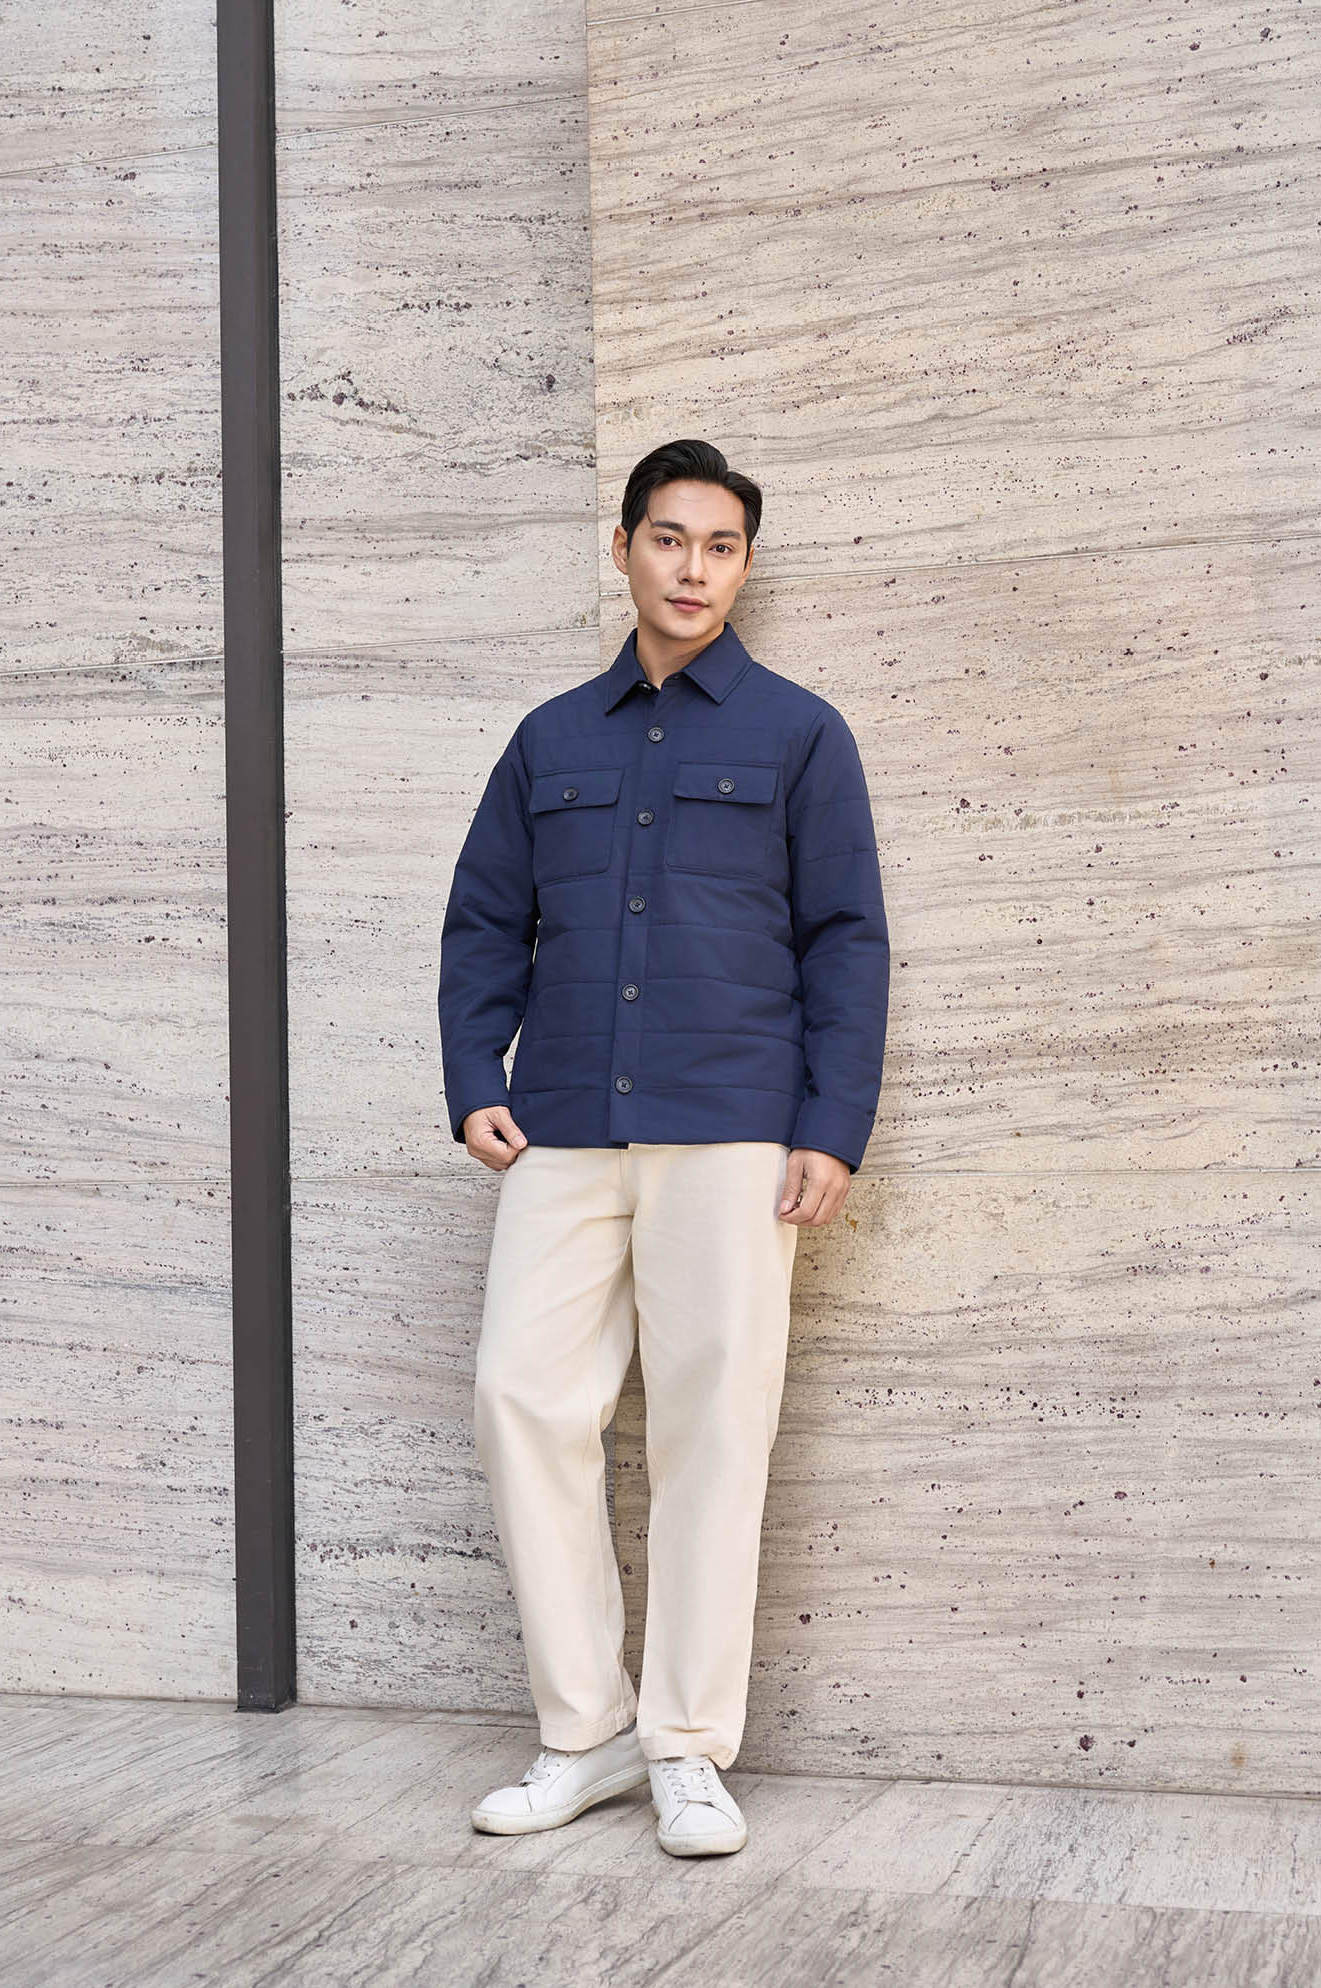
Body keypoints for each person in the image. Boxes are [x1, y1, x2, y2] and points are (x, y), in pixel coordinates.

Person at [438, 437, 889, 1857]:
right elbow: (481, 920)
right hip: (565, 1124)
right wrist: (474, 1074)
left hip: (733, 1128)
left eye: (721, 546)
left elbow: (847, 943)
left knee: (713, 1433)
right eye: (669, 539)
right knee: (522, 1399)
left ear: (743, 566)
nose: (693, 569)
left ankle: (686, 1747)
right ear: (625, 546)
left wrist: (831, 1127)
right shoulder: (549, 741)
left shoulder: (799, 735)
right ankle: (582, 1733)